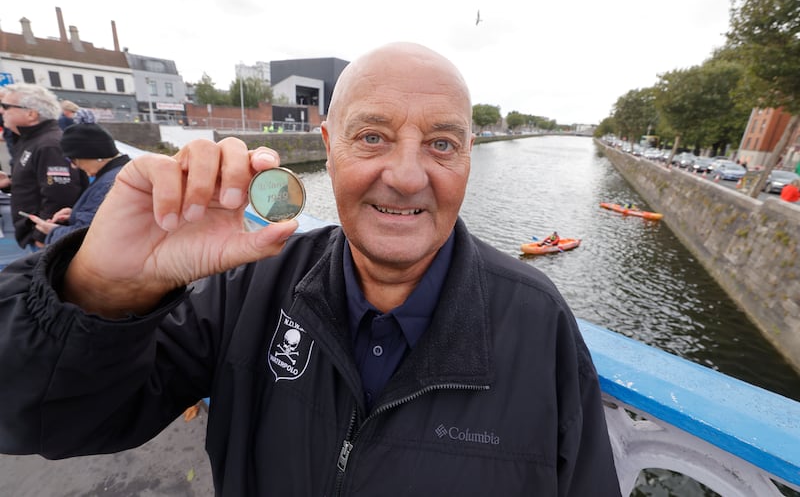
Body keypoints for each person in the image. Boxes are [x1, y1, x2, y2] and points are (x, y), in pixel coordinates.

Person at [0, 43, 621, 495]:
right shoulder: (248, 291)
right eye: (372, 136)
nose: (406, 176)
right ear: (328, 144)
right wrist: (104, 289)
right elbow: (41, 420)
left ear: (467, 156)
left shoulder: (539, 326)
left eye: (441, 143)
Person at [0, 83, 84, 250]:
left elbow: (61, 194)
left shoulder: (49, 145)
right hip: (36, 234)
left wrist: (42, 237)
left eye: (6, 106)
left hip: (45, 239)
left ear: (31, 114)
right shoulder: (31, 141)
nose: (2, 111)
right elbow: (39, 180)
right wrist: (10, 183)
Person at [26, 123, 130, 245]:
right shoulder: (123, 172)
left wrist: (52, 231)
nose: (73, 166)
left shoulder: (107, 184)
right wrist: (76, 213)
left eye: (72, 159)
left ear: (91, 154)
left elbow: (85, 235)